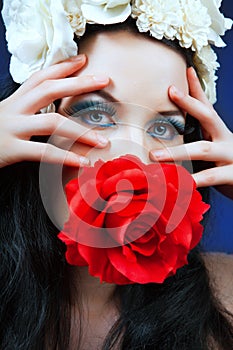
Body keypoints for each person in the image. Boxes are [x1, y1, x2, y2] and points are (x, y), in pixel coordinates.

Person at [0, 1, 233, 349]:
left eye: (164, 126)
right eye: (95, 114)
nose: (134, 155)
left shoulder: (224, 299)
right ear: (34, 126)